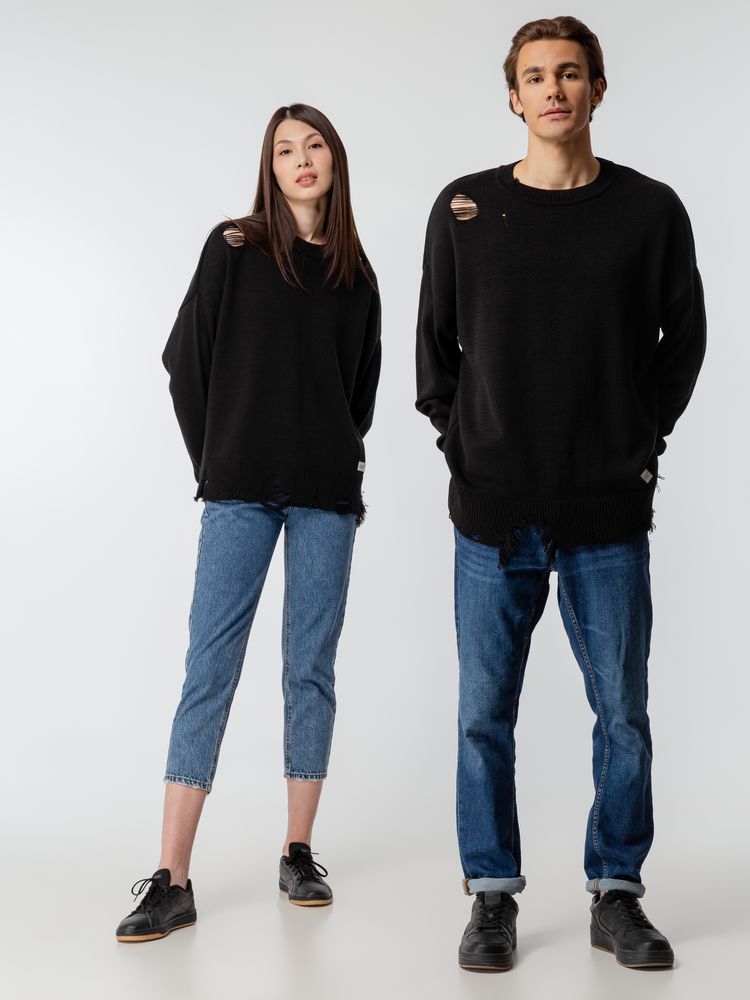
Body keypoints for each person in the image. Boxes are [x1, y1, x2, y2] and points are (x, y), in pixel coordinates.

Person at [416, 15, 705, 972]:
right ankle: (491, 896)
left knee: (622, 714)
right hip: (492, 511)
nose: (553, 89)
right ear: (513, 97)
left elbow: (685, 340)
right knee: (481, 717)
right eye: (536, 76)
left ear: (597, 90)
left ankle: (616, 892)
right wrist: (465, 447)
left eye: (570, 73)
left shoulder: (649, 211)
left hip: (606, 509)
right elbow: (434, 350)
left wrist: (640, 442)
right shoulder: (463, 208)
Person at [116, 104, 381, 942]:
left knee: (311, 669)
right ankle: (172, 878)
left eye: (314, 146)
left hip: (326, 494)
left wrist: (324, 451)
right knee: (209, 670)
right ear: (269, 168)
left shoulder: (357, 277)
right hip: (238, 491)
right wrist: (219, 456)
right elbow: (182, 362)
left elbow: (360, 397)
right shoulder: (233, 248)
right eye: (284, 150)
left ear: (335, 161)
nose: (301, 160)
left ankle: (297, 852)